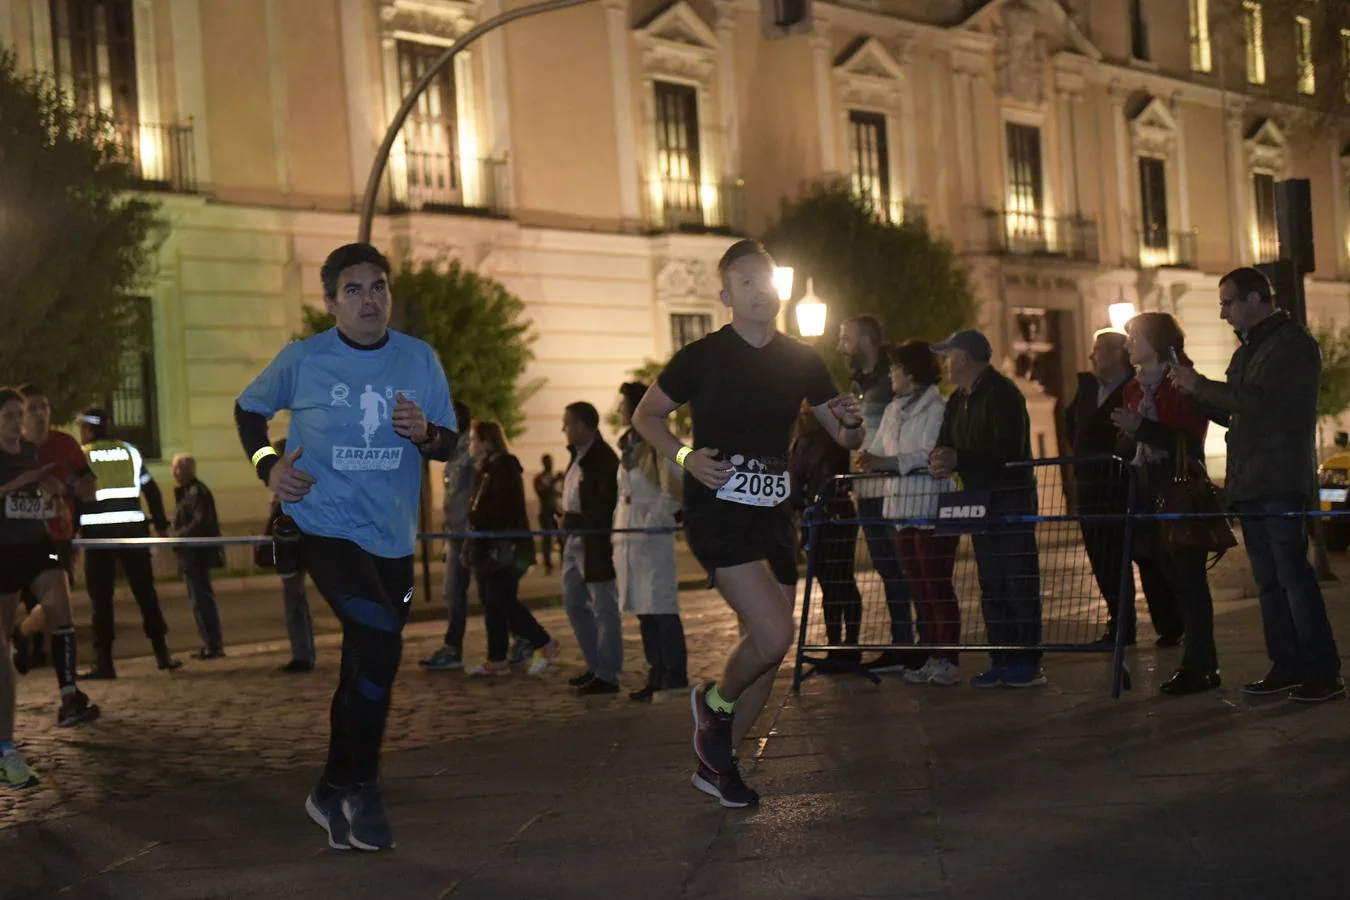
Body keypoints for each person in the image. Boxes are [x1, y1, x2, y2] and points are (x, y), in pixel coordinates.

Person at [235, 242, 458, 852]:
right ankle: (363, 789)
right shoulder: (305, 359)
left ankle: (332, 788)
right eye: (354, 289)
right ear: (331, 301)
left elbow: (449, 444)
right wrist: (270, 468)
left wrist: (428, 433)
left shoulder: (419, 359)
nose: (369, 299)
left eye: (378, 287)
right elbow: (248, 411)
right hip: (323, 527)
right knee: (381, 640)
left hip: (392, 541)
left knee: (369, 661)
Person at [633, 239, 864, 808]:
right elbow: (646, 415)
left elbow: (848, 437)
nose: (762, 291)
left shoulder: (804, 360)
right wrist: (687, 457)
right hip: (718, 510)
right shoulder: (702, 357)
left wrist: (855, 422)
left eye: (767, 280)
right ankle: (712, 702)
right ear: (727, 295)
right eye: (747, 283)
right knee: (776, 633)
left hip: (773, 515)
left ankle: (718, 763)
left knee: (768, 650)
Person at [1170, 267, 1343, 702]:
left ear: (1254, 299)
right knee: (1268, 579)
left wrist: (1202, 386)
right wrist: (1195, 394)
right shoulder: (1250, 350)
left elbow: (1262, 406)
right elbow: (1235, 413)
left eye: (1228, 302)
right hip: (1250, 480)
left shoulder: (1292, 345)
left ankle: (1322, 671)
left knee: (1292, 575)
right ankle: (1286, 664)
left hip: (1280, 477)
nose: (1224, 313)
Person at [929, 330, 1045, 688]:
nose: (945, 363)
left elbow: (1007, 450)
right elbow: (946, 441)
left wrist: (959, 458)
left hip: (1009, 499)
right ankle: (1002, 655)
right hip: (977, 500)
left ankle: (1026, 659)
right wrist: (940, 457)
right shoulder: (957, 400)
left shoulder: (1001, 394)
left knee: (1018, 580)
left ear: (964, 358)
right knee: (991, 582)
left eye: (949, 355)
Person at [1112, 313, 1219, 695]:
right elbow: (1129, 447)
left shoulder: (1182, 380)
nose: (1127, 345)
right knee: (1171, 579)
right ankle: (1200, 661)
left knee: (1189, 580)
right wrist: (1127, 435)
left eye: (1134, 337)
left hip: (1179, 489)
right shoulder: (1133, 388)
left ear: (1156, 340)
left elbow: (1188, 441)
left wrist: (1140, 428)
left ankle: (1201, 665)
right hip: (1145, 489)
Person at [0, 387, 100, 790]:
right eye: (8, 415)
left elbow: (64, 487)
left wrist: (54, 491)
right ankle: (6, 742)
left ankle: (69, 693)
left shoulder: (33, 451)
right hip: (4, 551)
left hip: (42, 546)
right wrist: (15, 485)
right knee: (2, 638)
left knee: (60, 602)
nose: (16, 421)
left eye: (18, 414)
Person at [1065, 331, 1183, 647]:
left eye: (1099, 350)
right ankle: (1120, 626)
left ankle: (1171, 624)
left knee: (1146, 555)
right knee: (1104, 559)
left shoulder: (1133, 388)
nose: (1092, 356)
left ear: (1118, 353)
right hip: (1092, 487)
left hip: (1126, 484)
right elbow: (1071, 426)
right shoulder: (1087, 390)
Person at [861, 341, 961, 686]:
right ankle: (931, 653)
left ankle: (947, 656)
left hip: (930, 506)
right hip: (900, 508)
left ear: (911, 371)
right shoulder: (893, 409)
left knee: (937, 584)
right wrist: (868, 458)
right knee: (918, 585)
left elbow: (926, 452)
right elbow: (877, 449)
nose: (891, 374)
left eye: (895, 368)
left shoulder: (937, 407)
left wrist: (889, 463)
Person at [77, 406, 181, 678]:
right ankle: (162, 654)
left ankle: (105, 662)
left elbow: (75, 496)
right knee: (146, 593)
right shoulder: (129, 451)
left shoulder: (81, 455)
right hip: (134, 531)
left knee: (101, 600)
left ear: (88, 428)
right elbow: (151, 490)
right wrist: (160, 525)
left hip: (97, 537)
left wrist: (71, 533)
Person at [838, 315, 916, 673]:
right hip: (867, 486)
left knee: (905, 566)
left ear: (867, 340)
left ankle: (918, 643)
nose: (841, 346)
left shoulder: (891, 379)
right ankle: (902, 642)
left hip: (890, 485)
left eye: (847, 339)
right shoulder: (860, 382)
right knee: (887, 567)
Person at [461, 420, 560, 676]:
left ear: (486, 442)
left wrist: (476, 518)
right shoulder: (486, 468)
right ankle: (497, 659)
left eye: (474, 440)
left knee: (501, 599)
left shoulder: (503, 467)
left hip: (506, 548)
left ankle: (543, 643)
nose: (470, 445)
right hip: (489, 547)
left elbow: (500, 510)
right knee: (491, 601)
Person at [11, 384, 96, 675]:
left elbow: (89, 488)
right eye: (32, 408)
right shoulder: (11, 449)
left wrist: (68, 487)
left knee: (58, 605)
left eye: (44, 407)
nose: (39, 414)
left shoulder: (65, 444)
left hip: (56, 537)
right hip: (14, 542)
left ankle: (67, 689)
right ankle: (20, 649)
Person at [614, 381, 687, 702]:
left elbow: (675, 488)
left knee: (661, 607)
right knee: (643, 608)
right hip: (630, 536)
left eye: (623, 404)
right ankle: (654, 672)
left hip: (651, 536)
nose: (618, 409)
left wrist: (652, 522)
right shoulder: (628, 445)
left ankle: (674, 674)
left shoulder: (660, 442)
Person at [789, 402, 862, 668]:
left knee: (835, 582)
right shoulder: (826, 437)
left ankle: (844, 646)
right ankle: (844, 646)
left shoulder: (812, 439)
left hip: (826, 516)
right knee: (838, 582)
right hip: (830, 515)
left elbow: (798, 480)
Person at [559, 401, 623, 695]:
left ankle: (608, 672)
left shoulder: (603, 459)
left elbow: (604, 504)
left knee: (604, 605)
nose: (564, 429)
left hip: (594, 541)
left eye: (568, 423)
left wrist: (576, 519)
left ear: (584, 425)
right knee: (574, 602)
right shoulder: (578, 456)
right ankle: (595, 664)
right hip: (575, 539)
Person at [420, 400, 476, 672]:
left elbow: (473, 495)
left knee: (494, 595)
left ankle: (530, 638)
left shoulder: (470, 451)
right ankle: (452, 648)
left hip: (471, 534)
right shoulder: (454, 451)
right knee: (454, 593)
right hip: (456, 533)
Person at [259, 438, 317, 673]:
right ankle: (303, 653)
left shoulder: (291, 483)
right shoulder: (293, 481)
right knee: (296, 601)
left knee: (295, 602)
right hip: (295, 548)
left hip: (295, 548)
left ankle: (303, 655)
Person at [171, 453, 226, 660]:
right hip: (192, 555)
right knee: (199, 601)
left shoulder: (196, 492)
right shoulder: (190, 492)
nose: (175, 473)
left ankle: (213, 645)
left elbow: (200, 523)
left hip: (196, 555)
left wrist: (176, 537)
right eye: (175, 468)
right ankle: (210, 643)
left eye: (179, 468)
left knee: (202, 600)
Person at [534, 454, 563, 575]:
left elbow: (557, 493)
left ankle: (563, 563)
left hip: (556, 511)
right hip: (545, 512)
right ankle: (548, 565)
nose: (550, 464)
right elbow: (543, 492)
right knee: (547, 540)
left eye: (551, 461)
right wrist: (554, 481)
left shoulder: (553, 476)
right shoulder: (539, 478)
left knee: (561, 539)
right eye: (548, 462)